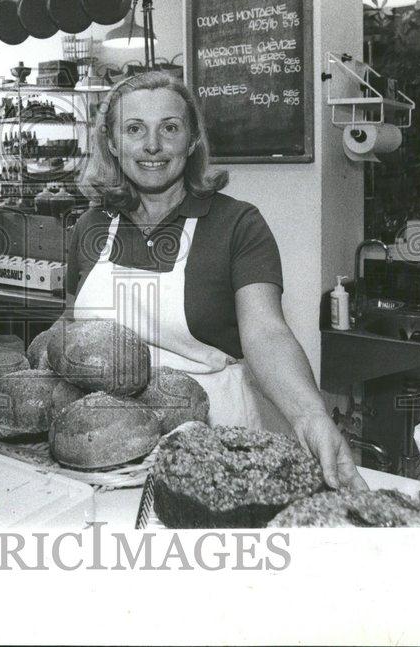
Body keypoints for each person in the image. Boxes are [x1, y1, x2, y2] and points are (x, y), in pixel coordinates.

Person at [66, 71, 366, 490]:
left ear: (191, 142)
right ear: (113, 143)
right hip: (110, 446)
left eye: (169, 128)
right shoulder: (91, 225)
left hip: (215, 438)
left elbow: (266, 333)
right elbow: (70, 333)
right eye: (134, 129)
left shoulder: (236, 223)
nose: (152, 145)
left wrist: (310, 414)